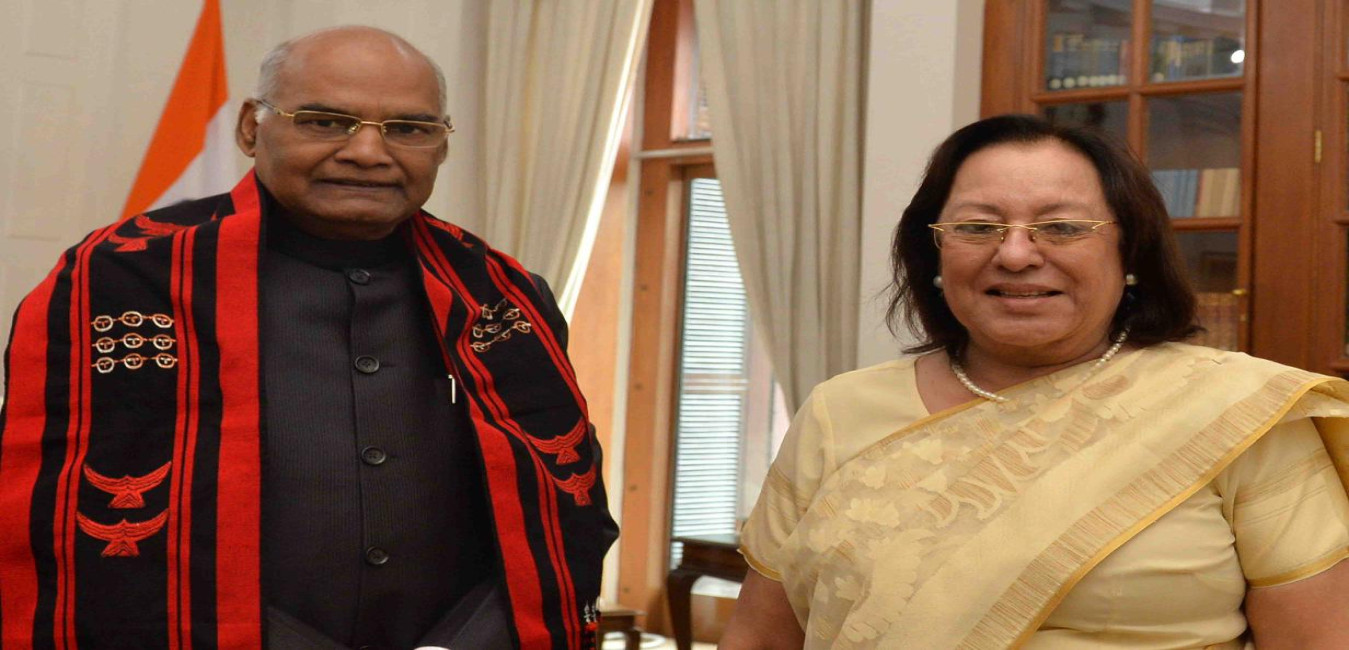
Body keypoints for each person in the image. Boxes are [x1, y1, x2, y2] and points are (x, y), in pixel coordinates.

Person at [0, 26, 616, 650]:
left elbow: (566, 498)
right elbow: (50, 513)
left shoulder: (499, 295)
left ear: (441, 145)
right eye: (326, 122)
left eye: (409, 129)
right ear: (251, 128)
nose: (369, 153)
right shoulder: (126, 280)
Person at [720, 114, 1349, 648]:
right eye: (977, 227)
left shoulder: (1235, 414)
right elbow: (761, 639)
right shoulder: (840, 410)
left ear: (1129, 251)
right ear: (934, 253)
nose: (1016, 254)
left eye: (1063, 227)